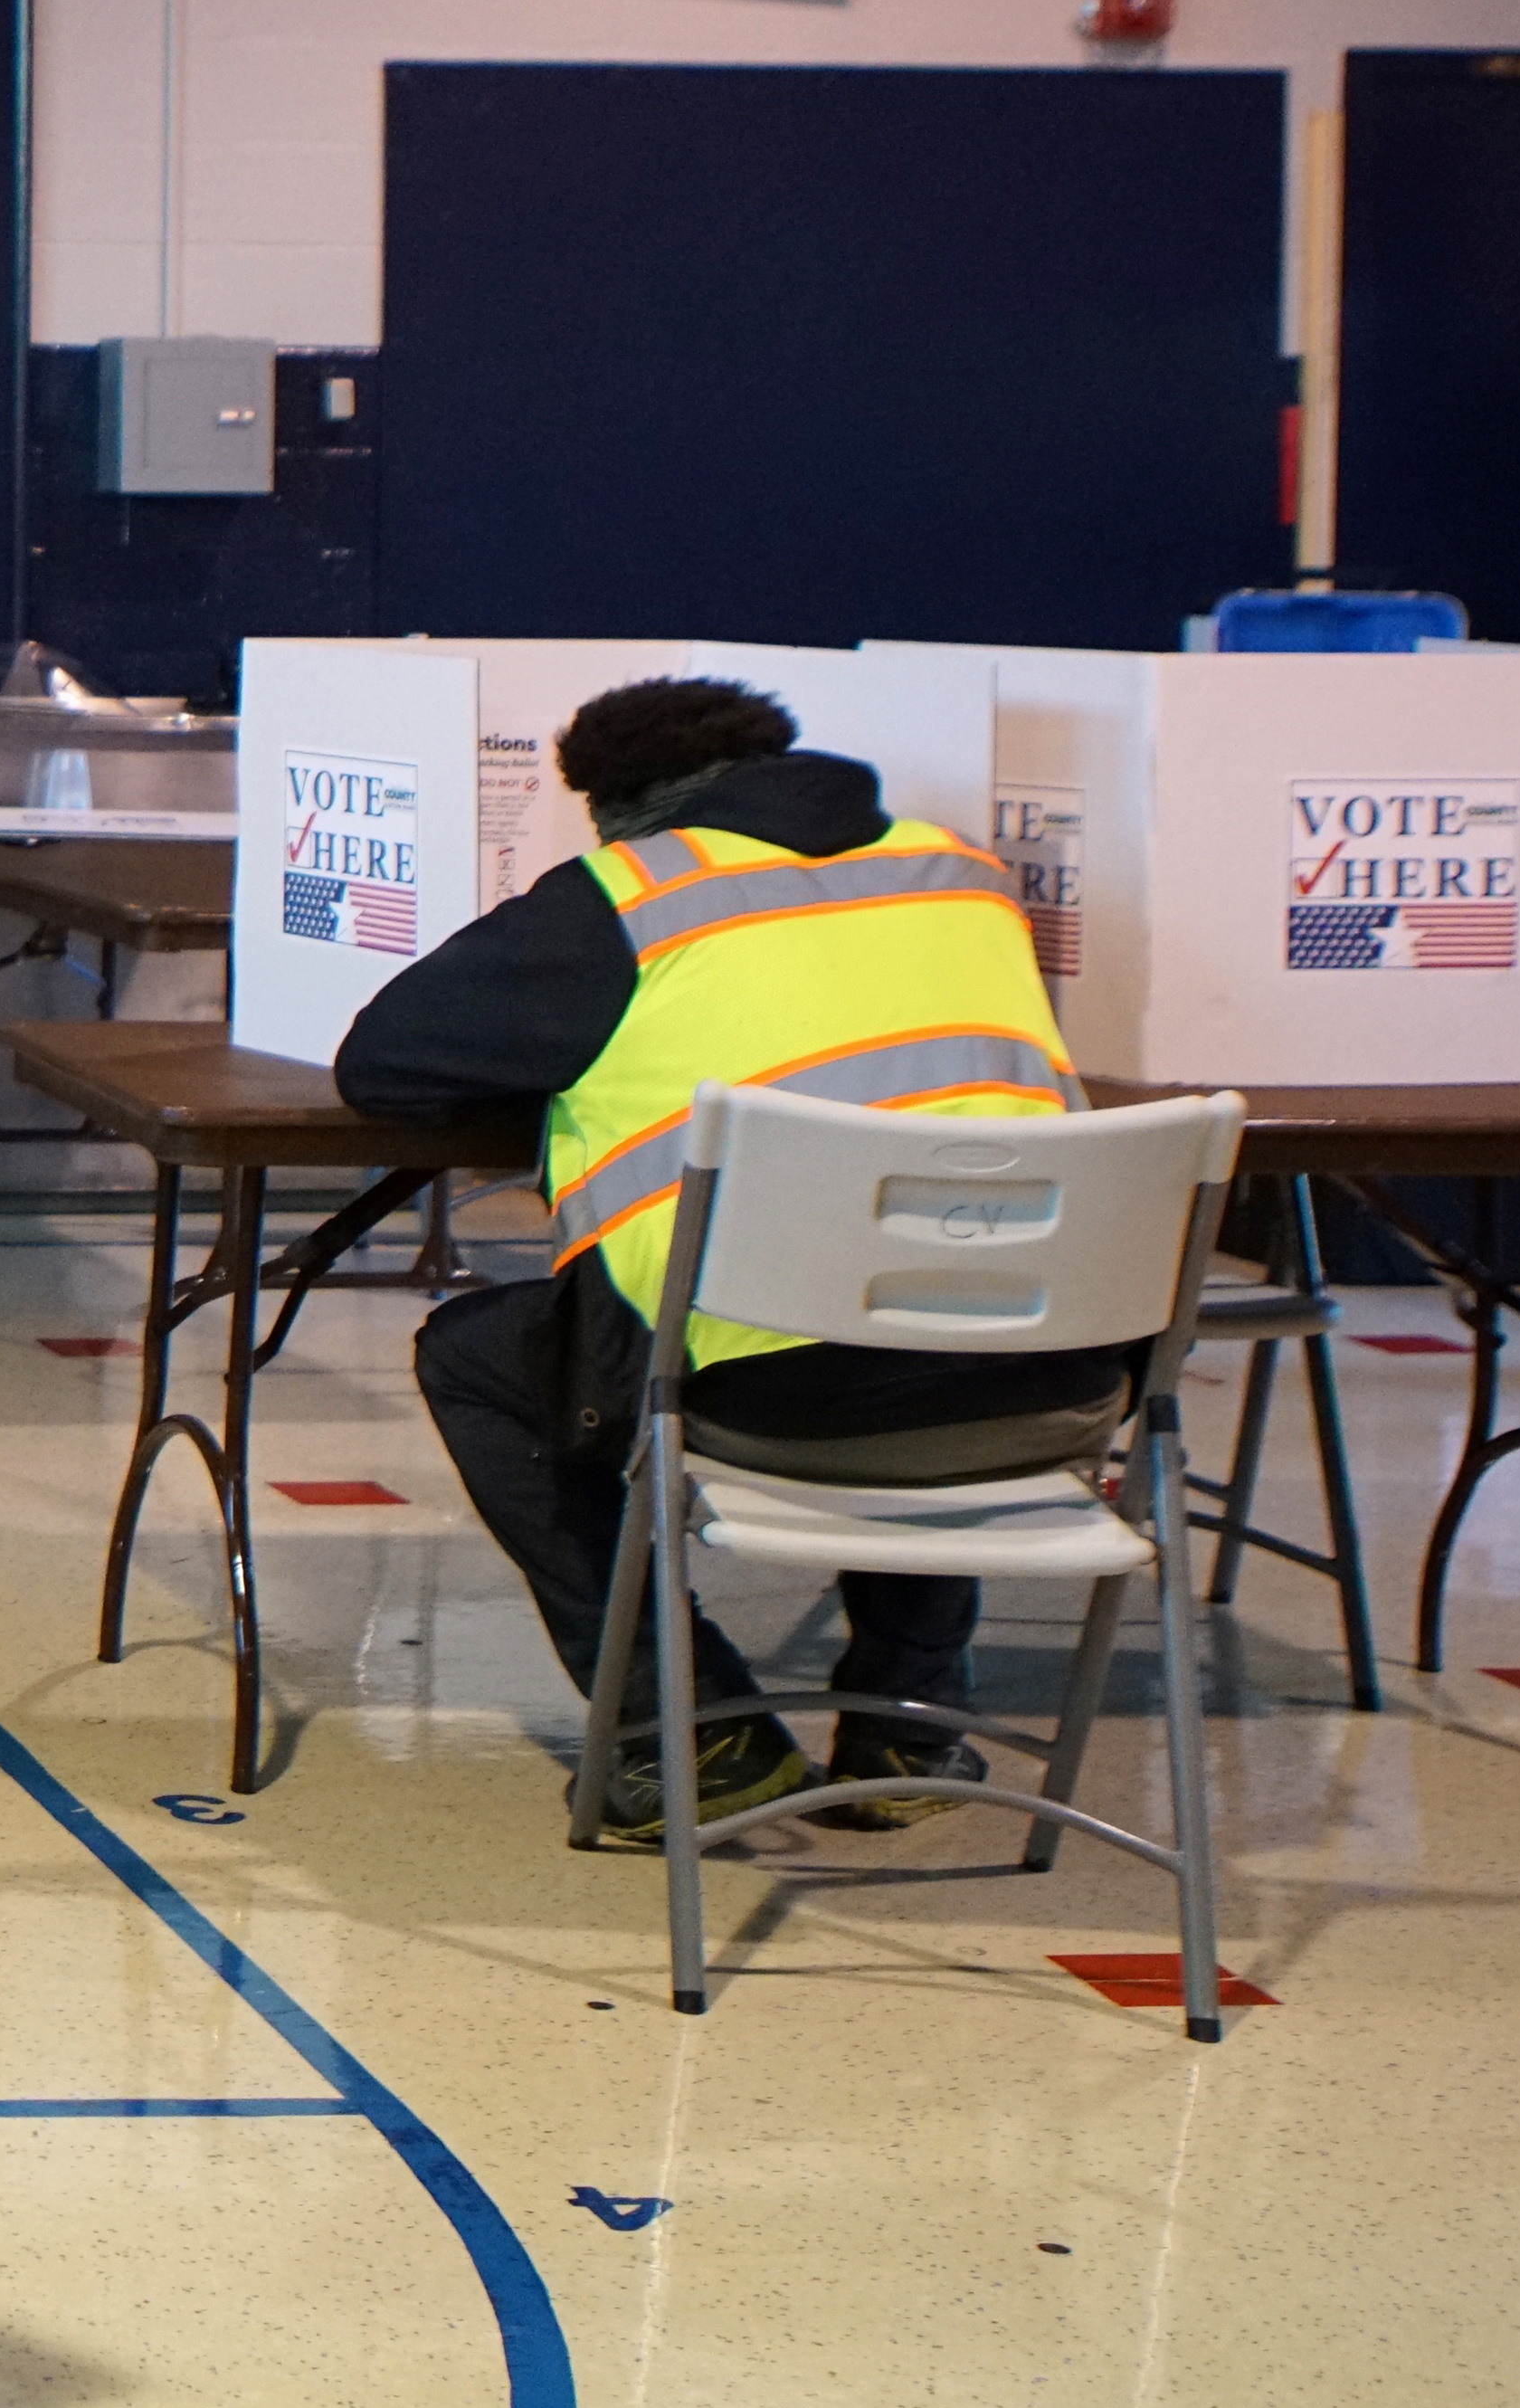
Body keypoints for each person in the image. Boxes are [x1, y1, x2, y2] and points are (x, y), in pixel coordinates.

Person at [337, 676, 1116, 1843]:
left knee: (479, 1358)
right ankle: (907, 1717)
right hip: (1056, 1376)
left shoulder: (630, 894)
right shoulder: (962, 872)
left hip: (779, 1382)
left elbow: (383, 1063)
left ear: (617, 805)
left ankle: (690, 1729)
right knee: (922, 1298)